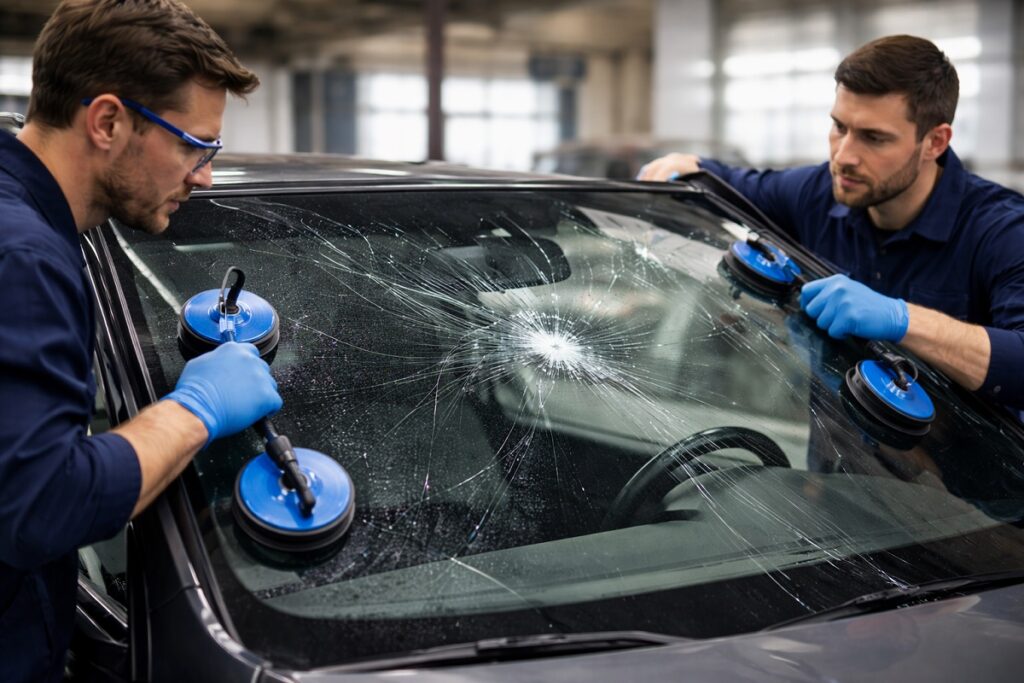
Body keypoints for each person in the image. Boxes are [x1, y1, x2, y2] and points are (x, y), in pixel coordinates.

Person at [0, 1, 282, 680]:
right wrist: (195, 410)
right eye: (193, 145)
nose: (205, 174)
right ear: (107, 122)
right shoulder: (25, 259)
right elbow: (40, 502)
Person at [639, 35, 1024, 412]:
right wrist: (688, 168)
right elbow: (729, 186)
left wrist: (903, 320)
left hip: (967, 474)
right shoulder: (816, 193)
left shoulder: (1002, 231)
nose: (844, 156)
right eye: (840, 127)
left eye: (874, 138)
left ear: (935, 142)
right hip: (838, 470)